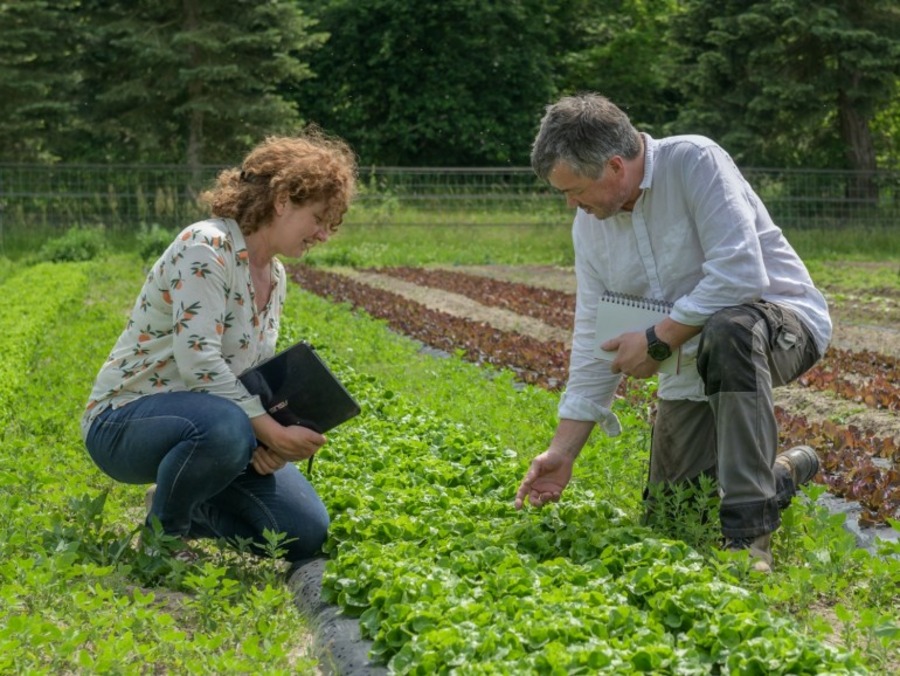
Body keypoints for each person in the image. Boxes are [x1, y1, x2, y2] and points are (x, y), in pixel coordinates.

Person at [514, 94, 830, 573]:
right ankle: (778, 477)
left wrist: (658, 340)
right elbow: (593, 336)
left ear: (615, 167)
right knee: (674, 516)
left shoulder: (694, 161)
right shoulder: (591, 226)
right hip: (690, 355)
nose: (571, 204)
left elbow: (740, 275)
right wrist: (562, 452)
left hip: (779, 324)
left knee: (730, 329)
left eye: (574, 190)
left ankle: (749, 540)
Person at [82, 131, 357, 564]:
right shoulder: (207, 247)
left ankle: (181, 503)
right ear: (283, 199)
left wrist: (271, 446)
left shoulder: (276, 275)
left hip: (216, 425)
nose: (324, 234)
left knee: (304, 532)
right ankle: (163, 542)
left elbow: (250, 375)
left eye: (331, 225)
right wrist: (268, 430)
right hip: (125, 420)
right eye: (319, 218)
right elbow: (199, 364)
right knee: (226, 427)